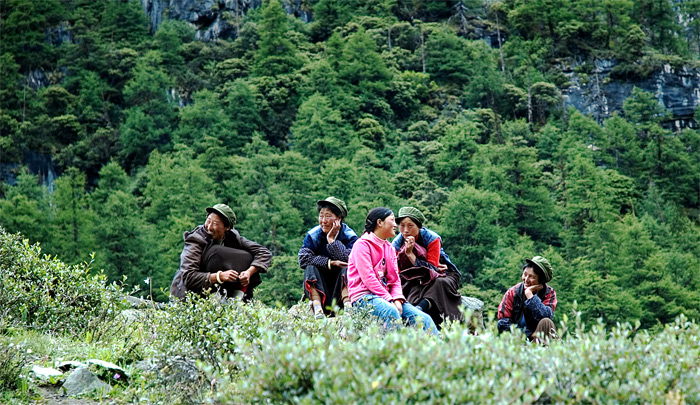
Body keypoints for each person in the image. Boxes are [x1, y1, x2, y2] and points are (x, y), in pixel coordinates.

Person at [347, 207, 438, 335]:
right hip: (364, 297)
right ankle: (396, 351)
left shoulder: (389, 248)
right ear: (380, 222)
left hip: (387, 297)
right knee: (390, 311)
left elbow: (394, 280)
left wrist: (397, 299)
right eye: (392, 220)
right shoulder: (362, 245)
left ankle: (437, 353)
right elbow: (369, 279)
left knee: (424, 319)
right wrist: (390, 300)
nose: (396, 225)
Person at [170, 204, 272, 301]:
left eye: (215, 224)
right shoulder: (195, 240)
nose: (209, 227)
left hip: (217, 290)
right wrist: (219, 276)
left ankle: (237, 300)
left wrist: (249, 272)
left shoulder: (232, 237)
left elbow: (264, 252)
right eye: (208, 221)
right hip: (188, 295)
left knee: (247, 256)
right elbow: (189, 277)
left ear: (227, 227)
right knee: (216, 252)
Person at [392, 206, 463, 328]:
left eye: (410, 225)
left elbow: (432, 268)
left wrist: (410, 255)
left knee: (439, 283)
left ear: (418, 226)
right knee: (411, 288)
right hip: (411, 277)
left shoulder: (432, 238)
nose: (405, 230)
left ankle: (419, 309)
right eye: (402, 226)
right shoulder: (396, 244)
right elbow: (396, 270)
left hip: (442, 274)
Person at [298, 197, 358, 317]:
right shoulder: (313, 235)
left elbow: (350, 260)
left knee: (347, 269)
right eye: (321, 216)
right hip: (320, 286)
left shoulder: (349, 236)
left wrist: (331, 241)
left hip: (341, 289)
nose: (323, 221)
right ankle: (318, 309)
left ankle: (348, 308)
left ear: (339, 219)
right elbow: (303, 259)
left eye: (328, 216)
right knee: (310, 268)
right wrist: (330, 263)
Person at [497, 256, 557, 342]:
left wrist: (530, 295)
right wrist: (529, 335)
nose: (526, 279)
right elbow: (502, 323)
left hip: (539, 340)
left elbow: (545, 316)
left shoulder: (549, 293)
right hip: (516, 339)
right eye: (525, 274)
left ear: (541, 281)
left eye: (532, 277)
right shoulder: (513, 292)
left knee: (547, 322)